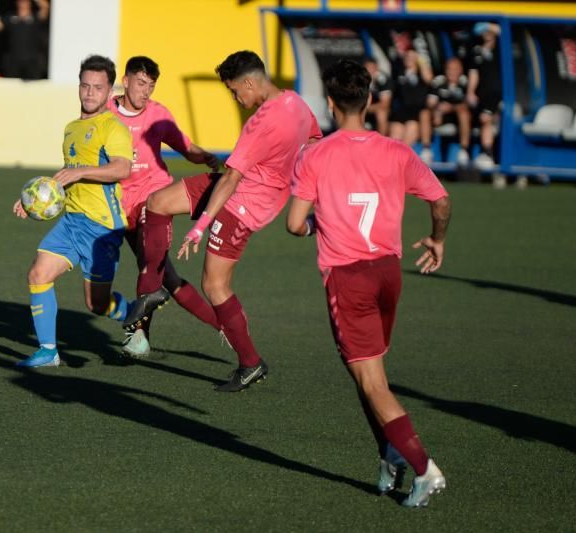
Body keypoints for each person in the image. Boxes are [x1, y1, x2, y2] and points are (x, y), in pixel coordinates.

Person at [287, 59, 451, 507]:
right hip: (387, 274)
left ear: (331, 103)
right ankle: (388, 456)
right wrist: (437, 240)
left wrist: (315, 225)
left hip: (348, 278)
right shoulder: (396, 150)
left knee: (373, 382)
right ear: (371, 101)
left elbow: (294, 223)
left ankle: (423, 468)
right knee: (369, 373)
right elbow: (439, 198)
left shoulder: (316, 154)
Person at [121, 50, 322, 391]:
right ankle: (153, 289)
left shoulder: (261, 123)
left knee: (215, 286)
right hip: (246, 186)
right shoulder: (296, 103)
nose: (235, 97)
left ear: (248, 82)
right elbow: (315, 142)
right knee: (157, 203)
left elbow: (229, 180)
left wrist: (199, 228)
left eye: (234, 91)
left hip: (242, 204)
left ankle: (250, 362)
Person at [11, 54, 133, 367]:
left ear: (109, 91)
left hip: (102, 228)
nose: (90, 92)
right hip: (71, 221)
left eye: (97, 87)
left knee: (96, 304)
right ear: (79, 87)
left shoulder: (113, 128)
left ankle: (133, 313)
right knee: (38, 273)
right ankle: (48, 351)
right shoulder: (71, 129)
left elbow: (121, 169)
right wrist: (34, 199)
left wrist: (79, 173)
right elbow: (70, 170)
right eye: (85, 86)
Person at [107, 56, 222, 357]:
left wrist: (206, 156)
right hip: (120, 207)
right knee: (166, 278)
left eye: (152, 86)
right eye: (141, 83)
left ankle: (140, 336)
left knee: (150, 266)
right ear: (126, 79)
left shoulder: (158, 114)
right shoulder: (105, 114)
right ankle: (225, 326)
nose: (146, 91)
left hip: (155, 200)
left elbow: (184, 146)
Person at [467, 22, 502, 170]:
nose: (487, 33)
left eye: (489, 31)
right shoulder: (476, 50)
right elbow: (473, 73)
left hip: (498, 93)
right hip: (483, 94)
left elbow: (503, 31)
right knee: (484, 120)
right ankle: (486, 153)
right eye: (484, 32)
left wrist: (488, 25)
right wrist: (470, 91)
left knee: (486, 118)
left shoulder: (501, 47)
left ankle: (487, 153)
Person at [389, 50, 435, 164]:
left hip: (417, 111)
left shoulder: (422, 74)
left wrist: (421, 61)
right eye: (407, 56)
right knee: (394, 140)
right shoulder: (399, 73)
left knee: (407, 138)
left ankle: (424, 152)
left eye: (412, 56)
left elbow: (429, 79)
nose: (409, 58)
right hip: (402, 111)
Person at [428, 56, 472, 166]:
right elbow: (430, 102)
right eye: (449, 69)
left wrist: (451, 108)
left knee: (463, 113)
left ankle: (463, 151)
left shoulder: (466, 83)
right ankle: (426, 150)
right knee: (424, 113)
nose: (452, 72)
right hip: (442, 117)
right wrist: (437, 109)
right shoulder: (439, 81)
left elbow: (469, 104)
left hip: (460, 119)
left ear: (460, 70)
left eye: (455, 69)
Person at [0, 0, 50, 79]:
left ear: (30, 3)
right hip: (13, 63)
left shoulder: (35, 18)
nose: (22, 3)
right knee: (12, 88)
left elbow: (45, 8)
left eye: (25, 1)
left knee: (32, 89)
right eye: (20, 1)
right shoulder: (10, 17)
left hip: (32, 63)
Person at [362, 56, 393, 135]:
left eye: (372, 68)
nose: (369, 70)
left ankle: (381, 141)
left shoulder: (383, 80)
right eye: (367, 68)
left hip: (377, 108)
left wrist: (367, 108)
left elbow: (385, 104)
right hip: (362, 107)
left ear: (376, 67)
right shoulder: (359, 80)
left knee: (381, 114)